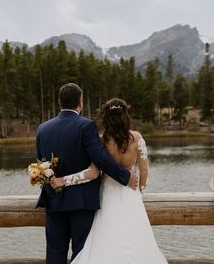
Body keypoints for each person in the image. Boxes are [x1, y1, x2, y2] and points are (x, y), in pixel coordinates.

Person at [51, 98, 168, 264]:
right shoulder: (136, 138)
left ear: (106, 117)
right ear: (125, 116)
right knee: (137, 239)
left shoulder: (101, 141)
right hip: (131, 196)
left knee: (106, 237)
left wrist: (64, 180)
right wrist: (140, 192)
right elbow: (144, 171)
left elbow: (92, 173)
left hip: (107, 197)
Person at [36, 84, 138, 264]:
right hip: (81, 203)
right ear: (80, 103)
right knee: (82, 254)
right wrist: (125, 176)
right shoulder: (86, 126)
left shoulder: (43, 129)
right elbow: (100, 158)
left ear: (60, 102)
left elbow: (41, 164)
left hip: (54, 200)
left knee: (54, 254)